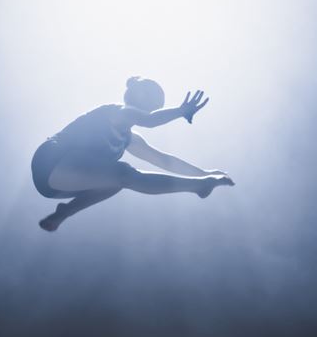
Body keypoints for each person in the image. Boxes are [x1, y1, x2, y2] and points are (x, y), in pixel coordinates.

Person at [32, 77, 234, 232]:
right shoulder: (116, 112)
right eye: (152, 102)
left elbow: (163, 160)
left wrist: (203, 173)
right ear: (139, 97)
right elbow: (150, 121)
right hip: (51, 161)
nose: (152, 108)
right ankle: (199, 186)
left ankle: (64, 212)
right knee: (123, 173)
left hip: (56, 186)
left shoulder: (129, 139)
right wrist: (180, 111)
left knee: (116, 181)